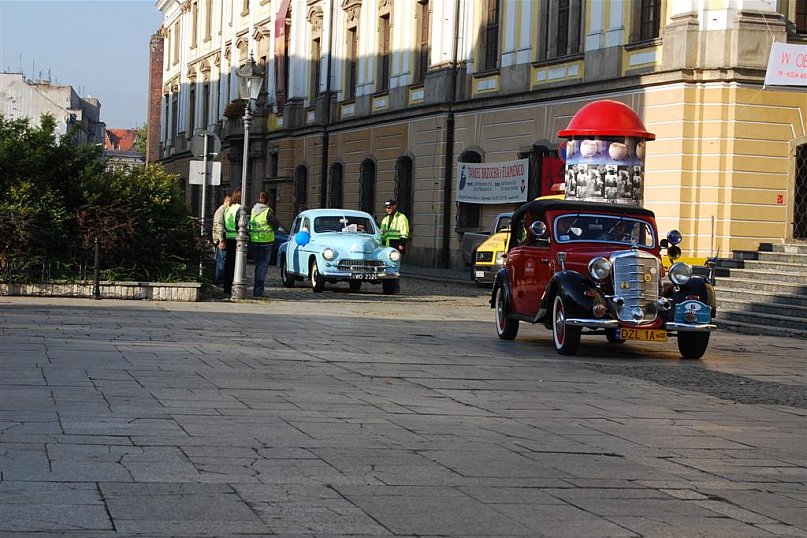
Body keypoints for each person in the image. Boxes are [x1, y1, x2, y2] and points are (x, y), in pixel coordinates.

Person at [249, 192, 283, 298]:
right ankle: (258, 291)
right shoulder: (267, 212)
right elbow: (276, 225)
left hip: (255, 241)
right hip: (266, 243)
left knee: (258, 266)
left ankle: (258, 289)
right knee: (262, 267)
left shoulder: (253, 210)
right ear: (268, 201)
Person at [222, 190, 242, 297]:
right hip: (236, 238)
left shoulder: (229, 208)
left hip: (228, 237)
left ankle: (226, 287)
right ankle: (234, 287)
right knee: (235, 264)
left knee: (228, 263)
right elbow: (240, 224)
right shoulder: (239, 208)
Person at [211, 194, 231, 286]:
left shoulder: (224, 210)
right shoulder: (221, 211)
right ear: (226, 201)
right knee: (222, 261)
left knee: (221, 260)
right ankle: (219, 280)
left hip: (221, 239)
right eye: (230, 202)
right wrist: (221, 240)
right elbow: (218, 226)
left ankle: (220, 280)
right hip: (220, 240)